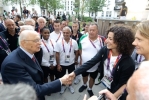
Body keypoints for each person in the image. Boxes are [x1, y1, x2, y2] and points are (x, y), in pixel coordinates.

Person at [1, 30, 72, 100]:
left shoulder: (29, 52)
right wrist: (61, 81)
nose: (40, 43)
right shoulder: (12, 65)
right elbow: (32, 90)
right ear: (24, 43)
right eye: (36, 41)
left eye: (39, 40)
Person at [69, 25, 135, 98]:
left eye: (110, 39)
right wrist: (74, 73)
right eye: (107, 38)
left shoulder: (128, 63)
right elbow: (92, 62)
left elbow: (122, 85)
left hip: (116, 89)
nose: (106, 41)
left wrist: (110, 97)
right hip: (107, 83)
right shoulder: (105, 50)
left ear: (120, 42)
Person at [78, 23, 104, 97]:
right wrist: (81, 59)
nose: (91, 32)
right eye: (90, 30)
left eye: (93, 30)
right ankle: (84, 85)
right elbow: (80, 48)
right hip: (84, 64)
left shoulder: (101, 40)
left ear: (97, 31)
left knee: (92, 78)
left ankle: (90, 89)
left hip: (95, 66)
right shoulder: (83, 37)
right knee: (84, 76)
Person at [55, 26, 78, 94]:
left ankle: (70, 85)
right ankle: (64, 86)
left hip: (71, 63)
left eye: (67, 33)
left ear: (70, 33)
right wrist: (58, 65)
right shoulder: (59, 42)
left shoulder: (74, 42)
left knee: (71, 76)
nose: (65, 34)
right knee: (63, 76)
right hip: (62, 63)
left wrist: (76, 60)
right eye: (64, 33)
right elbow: (57, 54)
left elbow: (76, 52)